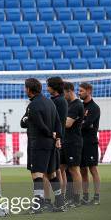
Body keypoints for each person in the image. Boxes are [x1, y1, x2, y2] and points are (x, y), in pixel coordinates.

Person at [20, 78, 62, 213]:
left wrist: (50, 134)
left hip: (38, 142)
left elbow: (38, 124)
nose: (24, 90)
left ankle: (38, 205)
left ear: (29, 89)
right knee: (51, 173)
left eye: (25, 88)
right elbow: (58, 122)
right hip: (50, 144)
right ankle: (60, 202)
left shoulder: (33, 106)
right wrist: (57, 137)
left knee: (36, 174)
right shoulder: (50, 103)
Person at [44, 77, 68, 212]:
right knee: (57, 170)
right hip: (55, 139)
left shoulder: (60, 102)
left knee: (54, 171)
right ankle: (60, 199)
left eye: (48, 86)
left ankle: (58, 199)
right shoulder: (56, 101)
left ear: (53, 87)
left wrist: (57, 137)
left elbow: (59, 122)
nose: (47, 88)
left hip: (55, 139)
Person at [61, 82, 84, 207]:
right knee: (60, 169)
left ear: (69, 91)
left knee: (74, 170)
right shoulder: (69, 104)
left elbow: (67, 124)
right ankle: (63, 196)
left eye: (64, 93)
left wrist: (55, 120)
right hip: (65, 141)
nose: (63, 95)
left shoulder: (76, 105)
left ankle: (76, 199)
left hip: (73, 142)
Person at [79, 82, 101, 205]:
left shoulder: (94, 107)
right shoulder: (80, 106)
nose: (79, 93)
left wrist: (80, 122)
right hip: (80, 142)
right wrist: (81, 121)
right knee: (83, 170)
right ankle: (86, 196)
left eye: (81, 91)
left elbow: (87, 125)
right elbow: (81, 123)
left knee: (93, 169)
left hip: (90, 142)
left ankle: (97, 197)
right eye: (79, 90)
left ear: (88, 91)